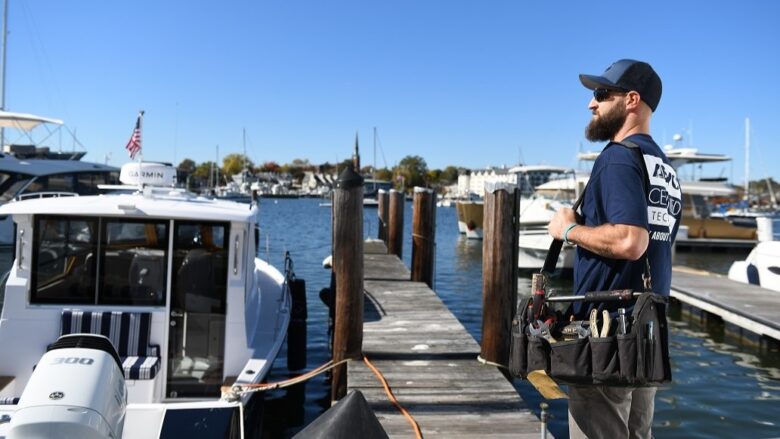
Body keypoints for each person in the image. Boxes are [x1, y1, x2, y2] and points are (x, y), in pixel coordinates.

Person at [547, 59, 682, 438]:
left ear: (632, 100)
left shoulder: (618, 158)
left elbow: (630, 240)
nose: (592, 104)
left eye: (601, 94)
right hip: (646, 333)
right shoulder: (664, 167)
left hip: (606, 335)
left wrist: (568, 228)